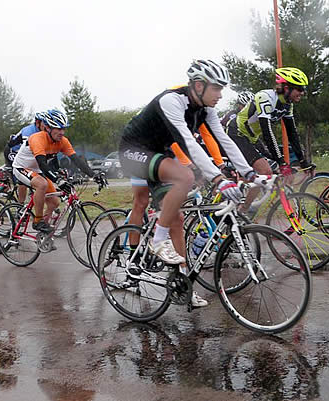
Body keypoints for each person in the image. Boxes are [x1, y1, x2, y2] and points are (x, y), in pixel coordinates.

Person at [118, 59, 267, 306]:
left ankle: (183, 283)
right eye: (217, 88)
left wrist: (249, 174)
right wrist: (218, 179)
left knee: (176, 217)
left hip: (158, 153)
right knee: (184, 176)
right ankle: (157, 241)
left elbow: (224, 140)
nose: (220, 94)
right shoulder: (171, 101)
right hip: (133, 151)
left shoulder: (205, 109)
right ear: (198, 85)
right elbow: (188, 142)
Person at [227, 67, 313, 209]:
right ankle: (242, 208)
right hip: (236, 133)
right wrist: (282, 162)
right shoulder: (266, 97)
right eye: (299, 89)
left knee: (267, 175)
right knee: (265, 171)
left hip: (252, 137)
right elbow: (267, 133)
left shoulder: (287, 105)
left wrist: (303, 161)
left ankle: (243, 208)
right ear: (286, 88)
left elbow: (293, 134)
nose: (302, 93)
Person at [12, 109, 105, 233]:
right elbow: (42, 164)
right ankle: (38, 221)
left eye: (63, 129)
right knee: (42, 184)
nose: (62, 132)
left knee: (54, 202)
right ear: (48, 128)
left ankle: (43, 232)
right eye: (58, 129)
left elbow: (77, 161)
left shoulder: (63, 141)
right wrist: (57, 180)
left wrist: (94, 175)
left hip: (38, 171)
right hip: (22, 167)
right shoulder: (37, 139)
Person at [4, 112, 47, 202]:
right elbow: (27, 152)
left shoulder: (43, 132)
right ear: (38, 123)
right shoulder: (29, 131)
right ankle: (20, 205)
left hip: (23, 153)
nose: (47, 126)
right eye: (45, 123)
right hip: (12, 150)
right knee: (22, 179)